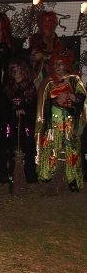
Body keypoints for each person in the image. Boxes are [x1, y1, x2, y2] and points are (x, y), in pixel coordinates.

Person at [34, 53, 86, 192]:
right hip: (53, 123)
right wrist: (56, 101)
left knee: (71, 149)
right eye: (55, 64)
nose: (57, 66)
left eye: (61, 63)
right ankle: (50, 176)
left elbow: (82, 98)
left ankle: (72, 179)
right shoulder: (48, 82)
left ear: (66, 65)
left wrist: (70, 96)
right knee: (51, 147)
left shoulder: (74, 80)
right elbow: (43, 104)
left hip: (69, 122)